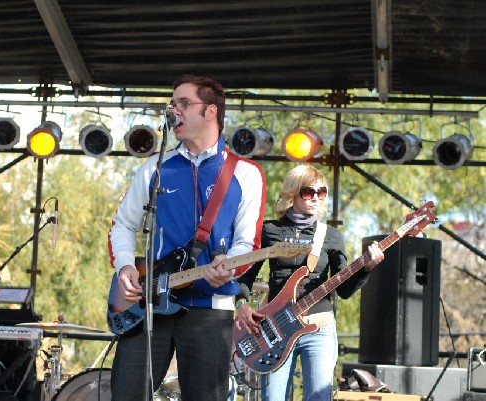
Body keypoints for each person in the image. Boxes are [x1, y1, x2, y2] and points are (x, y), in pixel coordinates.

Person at [108, 74, 266, 401]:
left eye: (183, 103)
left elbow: (248, 243)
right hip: (149, 303)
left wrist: (229, 266)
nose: (173, 111)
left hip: (211, 305)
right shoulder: (154, 167)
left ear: (210, 111)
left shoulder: (245, 173)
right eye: (172, 104)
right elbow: (122, 225)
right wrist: (125, 268)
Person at [234, 164, 384, 401]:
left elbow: (344, 290)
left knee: (318, 397)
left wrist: (366, 269)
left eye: (321, 192)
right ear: (292, 192)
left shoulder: (331, 236)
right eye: (308, 192)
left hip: (319, 328)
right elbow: (245, 277)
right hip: (275, 328)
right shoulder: (269, 230)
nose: (315, 198)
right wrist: (241, 305)